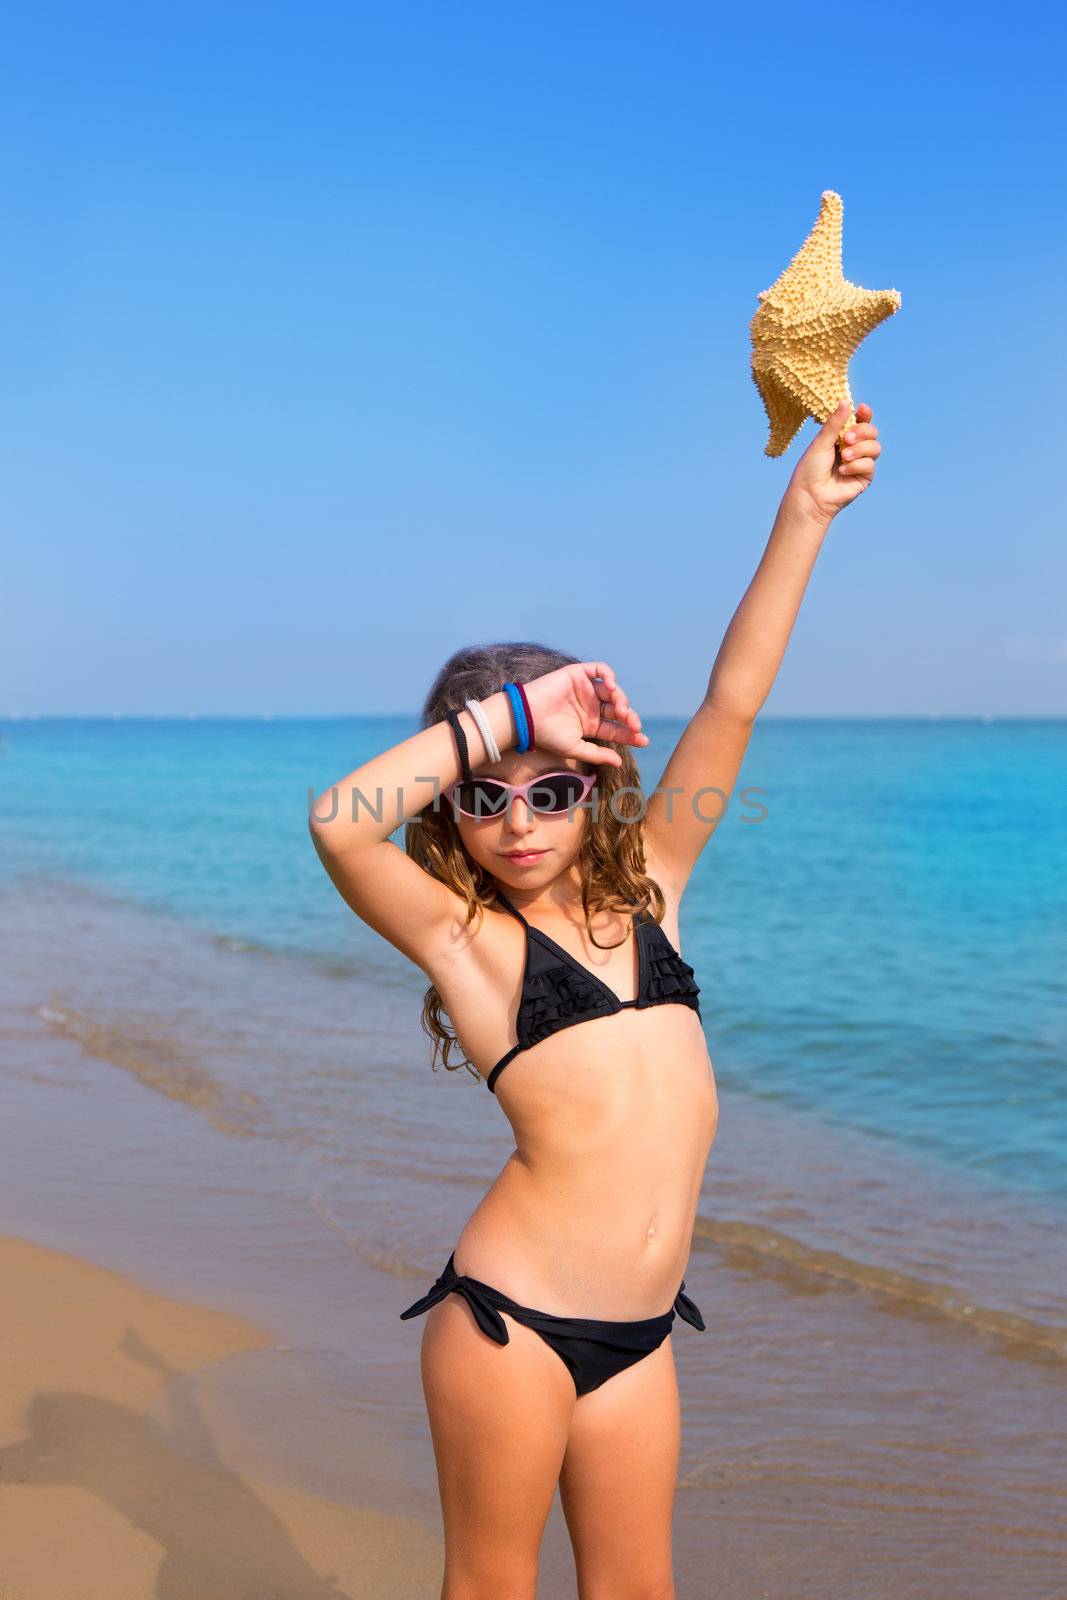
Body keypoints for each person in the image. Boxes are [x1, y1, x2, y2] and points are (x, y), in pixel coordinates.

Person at [309, 399, 881, 1599]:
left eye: (551, 792)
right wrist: (515, 718)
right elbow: (336, 822)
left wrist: (805, 515)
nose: (518, 823)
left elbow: (730, 700)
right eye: (485, 797)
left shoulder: (656, 893)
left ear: (597, 789)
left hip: (638, 1336)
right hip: (508, 1326)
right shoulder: (466, 944)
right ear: (451, 813)